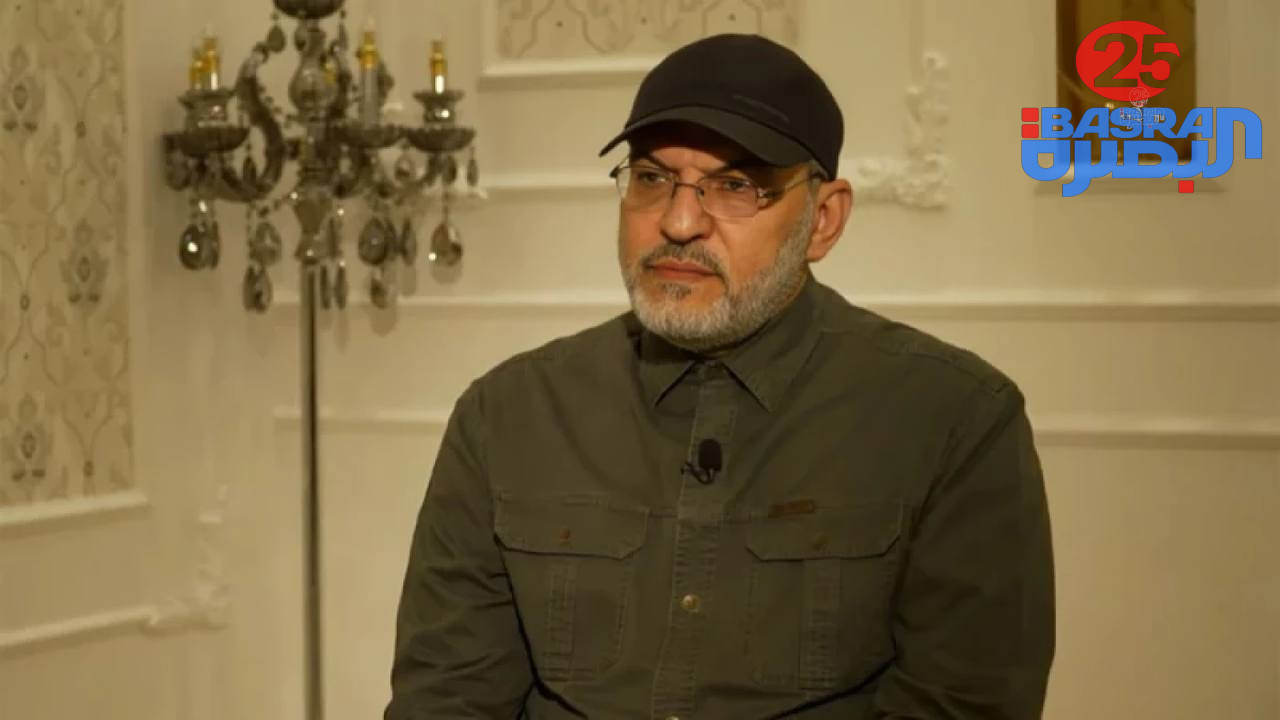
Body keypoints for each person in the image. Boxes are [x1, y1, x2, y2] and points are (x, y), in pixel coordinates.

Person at [384, 33, 1055, 720]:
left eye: (734, 186)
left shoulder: (956, 421)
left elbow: (964, 705)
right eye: (651, 178)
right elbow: (445, 701)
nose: (678, 222)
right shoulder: (508, 415)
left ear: (823, 220)